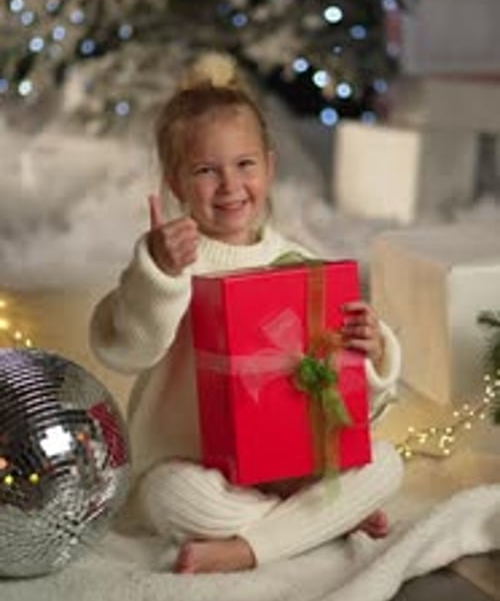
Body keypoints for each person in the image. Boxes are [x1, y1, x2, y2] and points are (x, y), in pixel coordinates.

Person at [90, 52, 404, 574]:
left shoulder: (302, 265)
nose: (230, 186)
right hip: (192, 464)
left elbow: (347, 399)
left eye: (244, 165)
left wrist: (373, 351)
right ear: (176, 184)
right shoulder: (169, 262)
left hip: (288, 467)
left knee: (388, 463)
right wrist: (159, 274)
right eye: (206, 171)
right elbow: (126, 348)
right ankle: (312, 524)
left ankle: (246, 547)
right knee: (168, 497)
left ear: (270, 167)